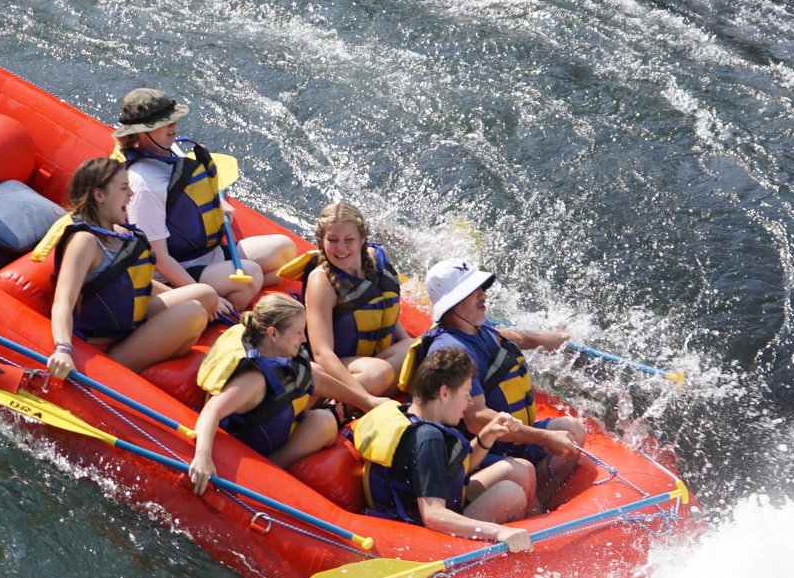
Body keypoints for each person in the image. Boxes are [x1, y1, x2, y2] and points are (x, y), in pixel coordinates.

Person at [399, 257, 587, 507]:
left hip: (508, 440)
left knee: (573, 429)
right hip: (476, 450)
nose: (482, 294)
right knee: (522, 470)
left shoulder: (474, 323)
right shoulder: (453, 351)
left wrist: (544, 340)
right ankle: (531, 511)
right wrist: (543, 437)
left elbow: (500, 337)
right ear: (452, 304)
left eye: (480, 287)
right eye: (471, 291)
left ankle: (540, 502)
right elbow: (477, 420)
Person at [112, 89, 290, 316]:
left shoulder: (168, 151)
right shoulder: (143, 184)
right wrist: (203, 294)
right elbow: (159, 259)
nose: (173, 125)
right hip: (177, 273)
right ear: (142, 132)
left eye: (173, 119)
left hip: (208, 254)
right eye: (164, 123)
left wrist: (217, 202)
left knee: (283, 247)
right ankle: (215, 309)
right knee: (251, 273)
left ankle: (231, 290)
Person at [45, 154, 219, 378]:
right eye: (123, 187)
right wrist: (63, 349)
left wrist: (181, 298)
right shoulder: (85, 242)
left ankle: (163, 341)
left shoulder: (121, 233)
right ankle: (135, 372)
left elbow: (136, 283)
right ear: (99, 194)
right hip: (106, 345)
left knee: (205, 294)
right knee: (193, 312)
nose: (131, 194)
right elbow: (63, 301)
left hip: (131, 323)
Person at [363, 344, 535, 547]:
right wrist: (499, 531)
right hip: (424, 531)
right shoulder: (427, 438)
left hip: (433, 500)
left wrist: (488, 434)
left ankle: (539, 526)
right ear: (444, 393)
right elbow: (433, 515)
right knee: (510, 494)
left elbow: (451, 471)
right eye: (466, 393)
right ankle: (530, 546)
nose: (470, 402)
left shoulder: (408, 414)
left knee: (520, 470)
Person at [185, 294, 357, 492]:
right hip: (253, 440)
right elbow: (211, 411)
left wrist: (367, 401)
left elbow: (313, 378)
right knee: (325, 422)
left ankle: (340, 408)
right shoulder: (254, 380)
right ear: (273, 334)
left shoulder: (272, 350)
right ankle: (276, 467)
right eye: (299, 332)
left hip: (273, 414)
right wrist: (202, 457)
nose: (304, 338)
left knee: (315, 371)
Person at [300, 199, 410, 408]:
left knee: (420, 348)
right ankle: (334, 403)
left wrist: (411, 351)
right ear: (321, 241)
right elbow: (322, 353)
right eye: (332, 240)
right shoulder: (321, 282)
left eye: (348, 239)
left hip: (374, 357)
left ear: (361, 238)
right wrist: (365, 399)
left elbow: (385, 309)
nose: (341, 248)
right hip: (342, 366)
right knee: (378, 373)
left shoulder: (378, 258)